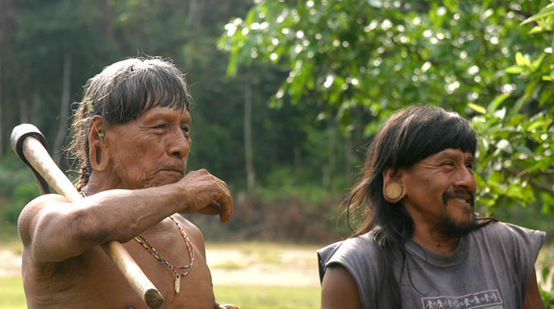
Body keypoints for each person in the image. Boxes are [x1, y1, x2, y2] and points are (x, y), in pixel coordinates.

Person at [18, 57, 238, 308]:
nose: (181, 145)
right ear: (99, 136)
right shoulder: (47, 214)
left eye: (185, 129)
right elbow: (84, 224)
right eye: (160, 126)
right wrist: (182, 194)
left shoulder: (189, 235)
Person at [318, 106, 546, 309]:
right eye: (448, 164)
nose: (468, 181)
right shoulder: (355, 269)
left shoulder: (508, 248)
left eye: (469, 165)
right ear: (396, 178)